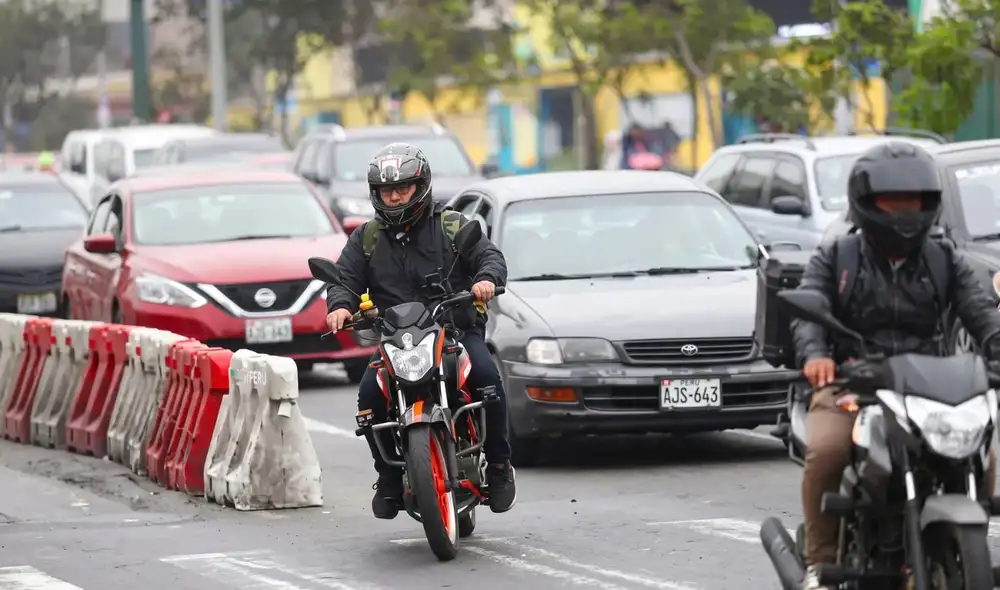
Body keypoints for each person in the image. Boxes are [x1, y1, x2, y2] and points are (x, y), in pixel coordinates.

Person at [790, 141, 1000, 590]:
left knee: (981, 447)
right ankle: (819, 564)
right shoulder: (838, 258)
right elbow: (808, 310)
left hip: (930, 385)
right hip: (851, 381)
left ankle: (965, 542)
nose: (905, 211)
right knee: (827, 452)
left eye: (915, 201)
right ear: (867, 204)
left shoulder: (946, 261)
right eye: (893, 200)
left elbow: (982, 313)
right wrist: (816, 357)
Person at [324, 142, 517, 520]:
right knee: (368, 394)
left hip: (455, 332)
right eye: (386, 191)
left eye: (403, 189)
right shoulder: (366, 238)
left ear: (421, 186)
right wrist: (340, 306)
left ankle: (498, 466)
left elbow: (488, 256)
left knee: (487, 377)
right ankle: (389, 477)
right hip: (397, 341)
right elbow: (343, 280)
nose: (394, 198)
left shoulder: (451, 225)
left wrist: (486, 280)